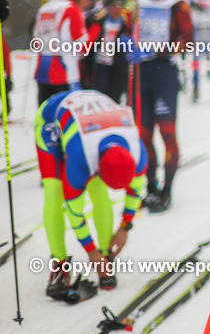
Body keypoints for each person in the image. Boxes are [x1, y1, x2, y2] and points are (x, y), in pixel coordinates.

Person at [36, 89, 147, 301]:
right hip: (52, 116)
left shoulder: (138, 152)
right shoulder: (81, 159)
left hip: (92, 120)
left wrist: (125, 226)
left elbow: (136, 190)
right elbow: (74, 211)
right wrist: (90, 251)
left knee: (98, 188)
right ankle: (60, 265)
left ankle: (105, 255)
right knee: (54, 191)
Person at [135, 0, 193, 213]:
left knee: (167, 134)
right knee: (143, 135)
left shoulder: (177, 3)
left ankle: (167, 190)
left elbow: (188, 40)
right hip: (142, 73)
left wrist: (159, 48)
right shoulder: (139, 1)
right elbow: (129, 29)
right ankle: (151, 187)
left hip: (164, 73)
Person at [33, 0, 94, 105]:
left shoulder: (45, 8)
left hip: (42, 69)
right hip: (63, 72)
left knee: (45, 115)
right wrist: (95, 29)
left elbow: (35, 40)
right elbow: (83, 46)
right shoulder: (72, 10)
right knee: (65, 117)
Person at [88, 0, 131, 102]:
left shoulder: (126, 25)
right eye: (114, 6)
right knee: (99, 97)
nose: (117, 10)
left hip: (118, 67)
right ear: (108, 7)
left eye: (120, 7)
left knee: (114, 98)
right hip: (101, 65)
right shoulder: (100, 22)